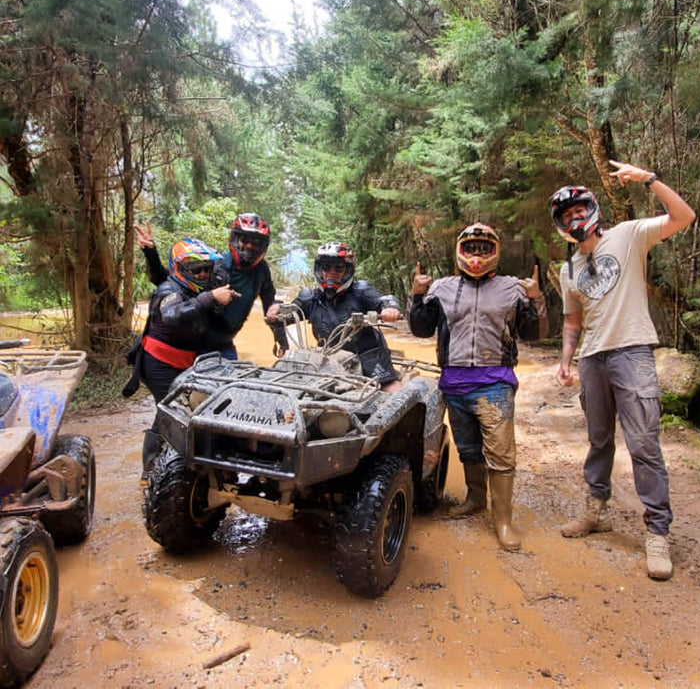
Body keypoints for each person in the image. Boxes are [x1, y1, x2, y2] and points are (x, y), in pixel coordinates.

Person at [551, 159, 696, 581]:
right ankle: (596, 510)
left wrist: (650, 179)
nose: (575, 218)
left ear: (593, 209)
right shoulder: (569, 268)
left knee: (643, 445)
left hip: (632, 351)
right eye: (567, 215)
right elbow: (572, 320)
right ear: (560, 224)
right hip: (593, 357)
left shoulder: (628, 235)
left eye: (580, 210)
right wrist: (565, 360)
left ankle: (657, 531)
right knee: (598, 441)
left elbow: (683, 217)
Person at [408, 222, 548, 550]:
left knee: (500, 455)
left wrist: (536, 298)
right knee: (468, 448)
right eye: (470, 249)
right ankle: (475, 498)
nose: (476, 256)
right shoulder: (441, 287)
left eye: (484, 249)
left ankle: (503, 520)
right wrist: (416, 294)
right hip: (453, 383)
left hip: (495, 383)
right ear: (460, 251)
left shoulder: (513, 287)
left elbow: (535, 334)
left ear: (495, 251)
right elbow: (420, 329)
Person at [136, 238, 237, 474]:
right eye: (196, 270)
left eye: (206, 269)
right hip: (158, 363)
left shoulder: (199, 287)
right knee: (171, 411)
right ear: (182, 270)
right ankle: (151, 470)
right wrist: (211, 298)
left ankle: (191, 463)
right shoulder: (170, 290)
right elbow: (173, 314)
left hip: (185, 361)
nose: (203, 274)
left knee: (190, 408)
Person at [135, 213, 287, 359]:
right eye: (245, 240)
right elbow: (170, 280)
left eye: (256, 243)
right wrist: (151, 253)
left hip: (225, 344)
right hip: (196, 345)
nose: (249, 246)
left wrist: (281, 338)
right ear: (235, 239)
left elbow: (270, 306)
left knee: (232, 383)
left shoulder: (262, 270)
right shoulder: (216, 263)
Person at [287, 241, 403, 392]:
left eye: (339, 267)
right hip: (328, 358)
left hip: (367, 355)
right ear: (319, 269)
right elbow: (285, 315)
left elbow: (384, 301)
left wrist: (390, 309)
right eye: (326, 267)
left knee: (390, 389)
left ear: (348, 270)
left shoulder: (361, 290)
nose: (332, 272)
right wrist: (274, 313)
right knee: (301, 390)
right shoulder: (309, 297)